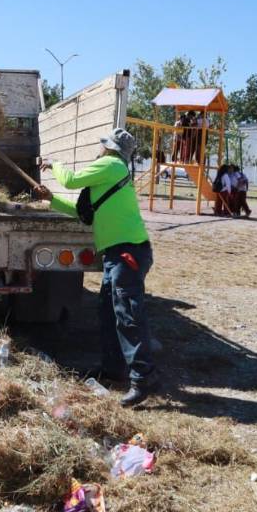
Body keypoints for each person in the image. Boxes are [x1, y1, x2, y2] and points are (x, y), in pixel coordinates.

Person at [33, 128, 158, 406]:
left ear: (112, 149)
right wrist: (50, 199)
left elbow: (70, 180)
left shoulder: (111, 165)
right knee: (109, 312)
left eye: (104, 144)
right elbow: (82, 214)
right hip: (117, 253)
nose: (100, 148)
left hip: (127, 252)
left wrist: (54, 164)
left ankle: (143, 378)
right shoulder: (110, 173)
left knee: (128, 315)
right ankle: (114, 369)